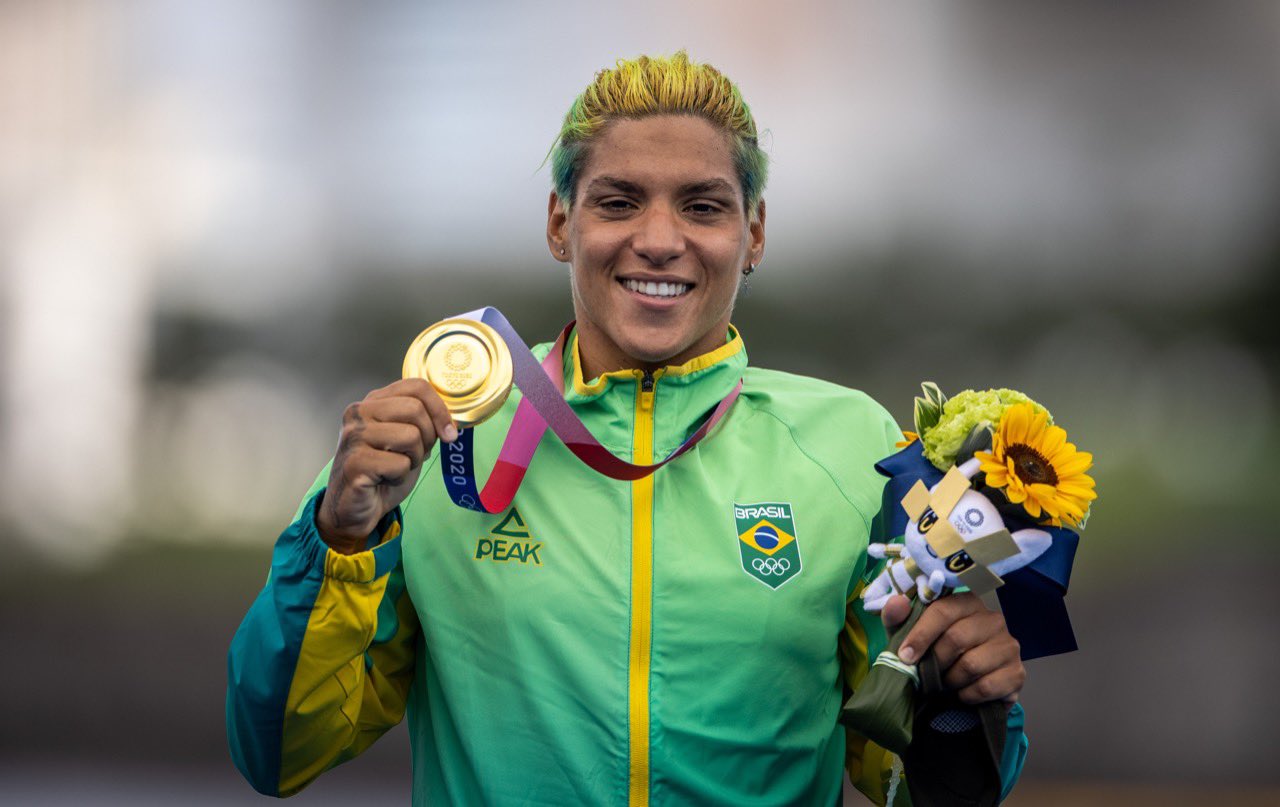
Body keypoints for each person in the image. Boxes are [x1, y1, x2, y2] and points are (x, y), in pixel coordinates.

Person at [227, 52, 1028, 805]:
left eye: (703, 206)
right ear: (559, 223)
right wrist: (340, 538)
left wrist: (958, 702)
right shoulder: (440, 438)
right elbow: (281, 751)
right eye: (617, 202)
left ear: (752, 233)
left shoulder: (852, 445)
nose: (657, 238)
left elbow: (911, 780)